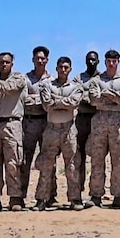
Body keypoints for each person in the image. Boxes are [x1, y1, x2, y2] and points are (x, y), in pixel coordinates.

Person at [86, 49, 120, 209]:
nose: (111, 64)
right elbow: (94, 100)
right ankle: (95, 195)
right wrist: (114, 97)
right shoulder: (96, 80)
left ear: (118, 62)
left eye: (114, 61)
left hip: (118, 122)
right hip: (100, 121)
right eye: (108, 61)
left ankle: (118, 195)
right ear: (105, 62)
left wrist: (107, 94)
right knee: (97, 160)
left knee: (119, 160)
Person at [36, 56, 84, 209]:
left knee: (72, 165)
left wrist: (56, 100)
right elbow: (47, 105)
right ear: (56, 68)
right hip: (51, 129)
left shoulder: (76, 87)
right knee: (46, 165)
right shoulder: (46, 85)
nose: (63, 70)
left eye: (66, 67)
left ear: (70, 69)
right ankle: (41, 199)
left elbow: (73, 103)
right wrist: (63, 101)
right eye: (61, 67)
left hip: (69, 130)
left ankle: (75, 199)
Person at [0, 51, 29, 211]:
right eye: (1, 62)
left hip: (12, 125)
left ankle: (15, 198)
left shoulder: (19, 79)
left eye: (7, 62)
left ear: (12, 64)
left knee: (13, 163)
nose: (4, 65)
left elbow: (10, 88)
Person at [18, 47, 52, 206]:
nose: (40, 61)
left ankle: (48, 196)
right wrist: (42, 100)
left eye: (43, 58)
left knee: (47, 159)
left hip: (47, 122)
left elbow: (52, 100)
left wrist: (37, 99)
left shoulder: (52, 79)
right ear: (33, 60)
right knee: (25, 160)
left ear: (47, 60)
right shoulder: (26, 79)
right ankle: (19, 197)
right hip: (29, 122)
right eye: (37, 58)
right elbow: (23, 99)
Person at [75, 50, 101, 195]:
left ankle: (96, 192)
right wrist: (92, 98)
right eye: (88, 60)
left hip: (98, 118)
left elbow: (102, 97)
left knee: (98, 156)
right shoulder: (79, 78)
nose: (91, 62)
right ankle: (78, 190)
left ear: (98, 61)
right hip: (81, 119)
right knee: (79, 156)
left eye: (93, 60)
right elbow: (75, 94)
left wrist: (91, 98)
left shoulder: (103, 78)